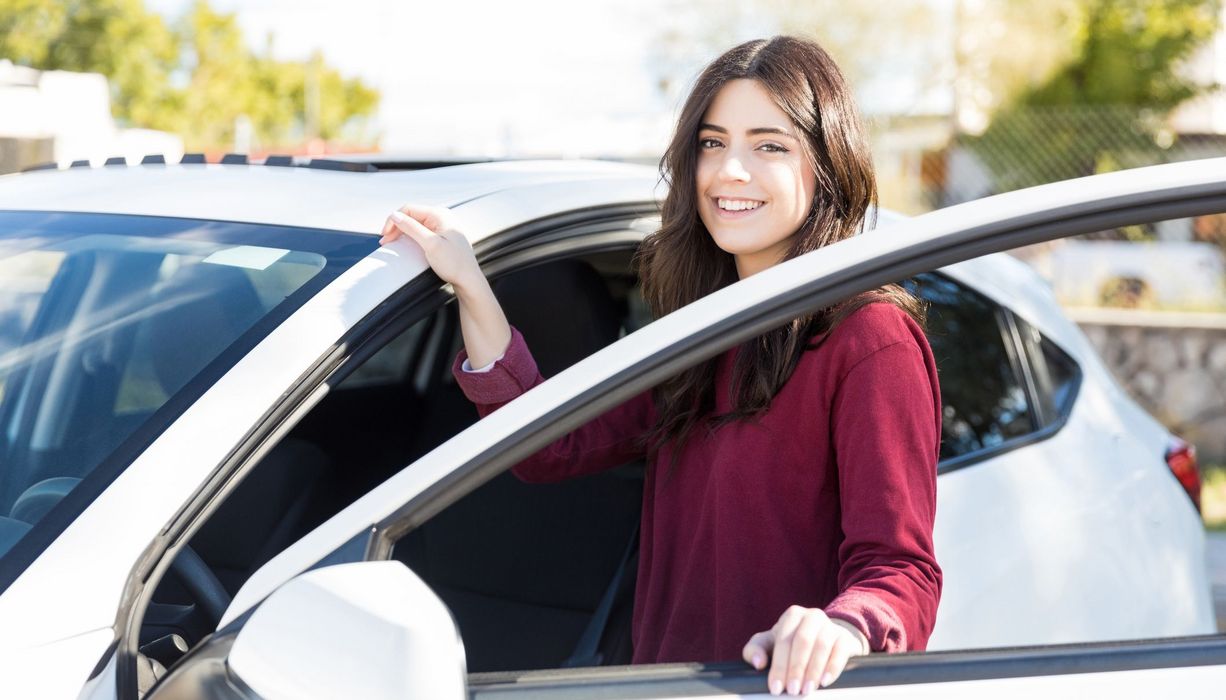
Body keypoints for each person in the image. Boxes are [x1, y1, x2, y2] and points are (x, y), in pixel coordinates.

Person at [379, 35, 942, 697]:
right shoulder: (701, 332)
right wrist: (470, 281)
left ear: (825, 163)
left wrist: (841, 628)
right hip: (658, 682)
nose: (730, 171)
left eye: (769, 145)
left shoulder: (870, 338)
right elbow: (548, 446)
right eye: (712, 143)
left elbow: (901, 573)